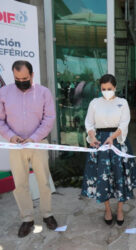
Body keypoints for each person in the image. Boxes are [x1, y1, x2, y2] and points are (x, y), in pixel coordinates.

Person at [0, 60, 57, 238]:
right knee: (20, 184)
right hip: (15, 145)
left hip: (38, 143)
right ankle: (27, 219)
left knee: (44, 182)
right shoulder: (4, 93)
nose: (21, 81)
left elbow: (49, 118)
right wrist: (11, 136)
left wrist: (33, 138)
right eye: (17, 78)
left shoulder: (43, 93)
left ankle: (47, 214)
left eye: (25, 78)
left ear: (32, 75)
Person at [82, 74, 136, 226]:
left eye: (109, 88)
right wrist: (92, 136)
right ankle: (107, 209)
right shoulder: (94, 103)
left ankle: (120, 209)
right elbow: (89, 123)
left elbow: (124, 123)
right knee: (103, 176)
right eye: (103, 89)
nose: (106, 91)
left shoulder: (122, 102)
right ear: (100, 88)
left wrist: (113, 137)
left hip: (118, 142)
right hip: (100, 143)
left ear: (115, 87)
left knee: (119, 174)